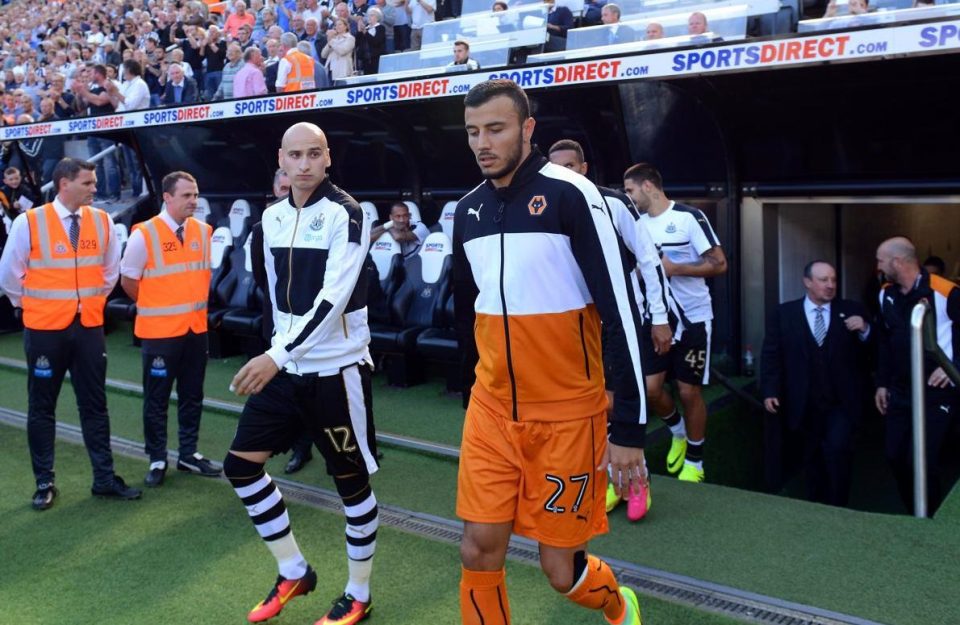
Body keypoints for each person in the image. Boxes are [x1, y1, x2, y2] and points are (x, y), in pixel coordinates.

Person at [454, 79, 645, 625]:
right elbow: (468, 315)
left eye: (496, 128)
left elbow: (620, 314)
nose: (482, 143)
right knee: (477, 549)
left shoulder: (572, 195)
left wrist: (628, 429)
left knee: (560, 571)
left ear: (527, 128)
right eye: (473, 132)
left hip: (567, 418)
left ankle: (617, 602)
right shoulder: (466, 211)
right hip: (491, 413)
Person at [224, 122, 379, 625]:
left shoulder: (347, 213)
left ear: (328, 157)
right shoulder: (267, 220)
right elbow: (272, 299)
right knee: (241, 467)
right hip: (287, 367)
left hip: (336, 370)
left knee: (351, 487)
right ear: (282, 161)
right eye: (296, 155)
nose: (306, 163)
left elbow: (333, 300)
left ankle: (359, 593)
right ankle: (294, 570)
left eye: (315, 154)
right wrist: (277, 352)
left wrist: (276, 355)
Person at [0, 157, 142, 510]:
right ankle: (44, 482)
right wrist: (34, 306)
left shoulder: (103, 221)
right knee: (42, 406)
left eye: (94, 183)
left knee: (95, 405)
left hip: (89, 327)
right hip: (45, 329)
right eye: (88, 183)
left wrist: (86, 303)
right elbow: (8, 276)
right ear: (64, 184)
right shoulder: (29, 223)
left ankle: (104, 479)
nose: (95, 189)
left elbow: (110, 272)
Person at [548, 139, 671, 520]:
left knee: (624, 401)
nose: (565, 173)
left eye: (571, 165)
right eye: (558, 167)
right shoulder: (547, 205)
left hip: (621, 321)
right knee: (592, 406)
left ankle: (638, 480)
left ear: (584, 167)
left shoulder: (612, 202)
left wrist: (660, 316)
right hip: (576, 325)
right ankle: (612, 481)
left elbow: (649, 259)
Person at [624, 163, 727, 483]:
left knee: (688, 391)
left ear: (649, 187)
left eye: (630, 190)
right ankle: (677, 431)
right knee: (652, 389)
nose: (628, 196)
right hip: (656, 319)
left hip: (694, 319)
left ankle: (695, 461)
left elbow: (719, 263)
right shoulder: (636, 224)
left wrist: (674, 268)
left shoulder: (688, 217)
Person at [119, 171, 221, 487]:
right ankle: (158, 458)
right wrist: (154, 306)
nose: (194, 201)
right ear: (167, 197)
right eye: (187, 195)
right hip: (159, 333)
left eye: (196, 194)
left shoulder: (203, 232)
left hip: (194, 330)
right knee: (157, 398)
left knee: (193, 395)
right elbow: (128, 280)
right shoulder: (143, 234)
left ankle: (189, 454)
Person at [760, 260, 871, 507]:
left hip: (841, 402)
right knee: (810, 455)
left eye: (833, 280)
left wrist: (865, 329)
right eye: (824, 280)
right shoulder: (784, 314)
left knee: (837, 449)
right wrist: (769, 390)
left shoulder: (852, 310)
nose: (830, 285)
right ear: (807, 282)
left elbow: (876, 348)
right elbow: (771, 353)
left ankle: (839, 505)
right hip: (803, 401)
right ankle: (815, 505)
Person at [874, 237, 960, 516]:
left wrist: (950, 366)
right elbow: (885, 341)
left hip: (937, 394)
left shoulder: (947, 292)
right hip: (900, 392)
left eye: (880, 260)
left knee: (920, 461)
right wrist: (882, 383)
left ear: (897, 262)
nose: (877, 266)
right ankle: (914, 513)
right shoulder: (885, 293)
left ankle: (929, 517)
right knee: (895, 456)